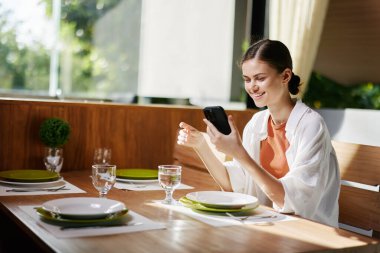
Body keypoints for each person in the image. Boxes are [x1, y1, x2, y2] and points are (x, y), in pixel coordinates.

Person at [177, 39, 340, 227]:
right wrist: (201, 146)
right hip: (266, 224)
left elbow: (293, 201)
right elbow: (233, 186)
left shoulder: (311, 125)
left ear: (285, 76)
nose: (252, 87)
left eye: (260, 78)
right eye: (247, 79)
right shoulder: (258, 123)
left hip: (307, 230)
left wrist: (239, 153)